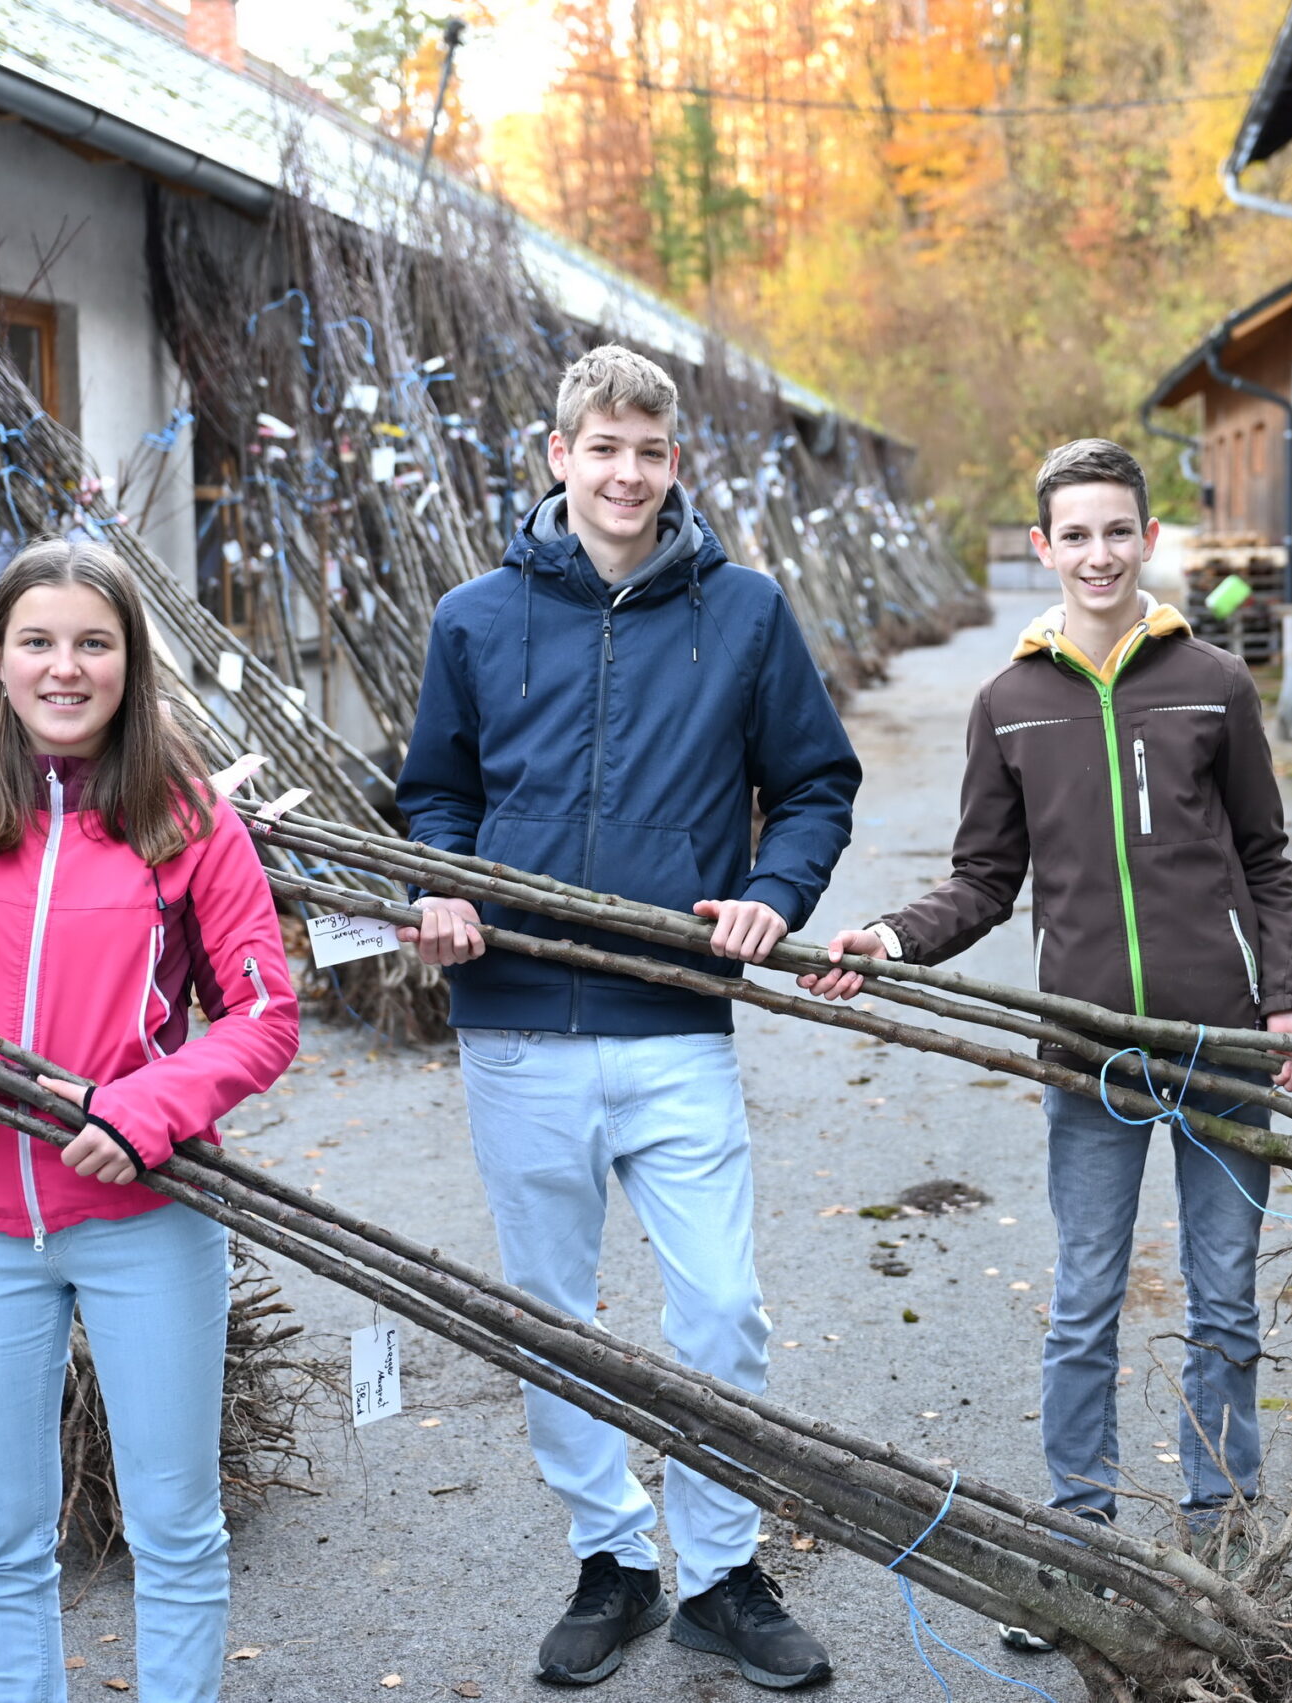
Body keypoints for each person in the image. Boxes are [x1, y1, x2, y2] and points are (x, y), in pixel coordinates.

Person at [801, 439, 1292, 1642]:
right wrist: (889, 935)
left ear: (1149, 538)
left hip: (1221, 1044)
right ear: (1043, 548)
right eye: (1072, 533)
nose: (1096, 552)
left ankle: (1221, 1538)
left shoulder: (1212, 685)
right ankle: (1075, 1539)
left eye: (1116, 530)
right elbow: (983, 877)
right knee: (1085, 1297)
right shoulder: (1010, 701)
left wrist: (1284, 998)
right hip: (1086, 1050)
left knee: (1223, 1302)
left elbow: (1267, 860)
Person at [394, 345, 858, 1691]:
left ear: (675, 464)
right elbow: (435, 794)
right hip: (520, 1019)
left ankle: (722, 1570)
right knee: (554, 1310)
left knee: (722, 1308)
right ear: (558, 456)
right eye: (604, 447)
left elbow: (817, 780)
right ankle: (614, 1556)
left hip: (671, 1018)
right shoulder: (475, 618)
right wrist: (440, 887)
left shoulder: (747, 613)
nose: (628, 473)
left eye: (651, 452)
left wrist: (775, 890)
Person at [0, 538, 301, 1703]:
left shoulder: (191, 820)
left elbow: (260, 1015)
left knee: (173, 1521)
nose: (67, 668)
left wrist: (143, 1108)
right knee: (1, 1535)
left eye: (93, 643)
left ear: (128, 660)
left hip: (145, 1213)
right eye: (40, 642)